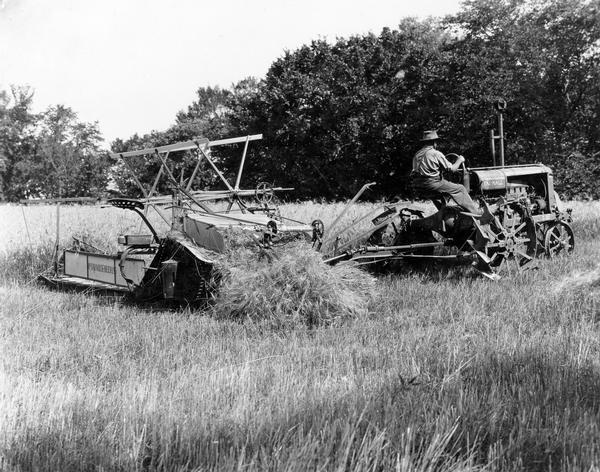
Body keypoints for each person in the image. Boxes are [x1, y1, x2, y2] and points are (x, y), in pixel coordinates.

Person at [411, 130, 480, 214]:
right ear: (434, 142)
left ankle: (446, 213)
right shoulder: (435, 153)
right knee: (460, 189)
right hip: (432, 184)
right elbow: (452, 169)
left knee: (443, 186)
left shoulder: (417, 154)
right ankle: (476, 213)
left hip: (417, 186)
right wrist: (460, 160)